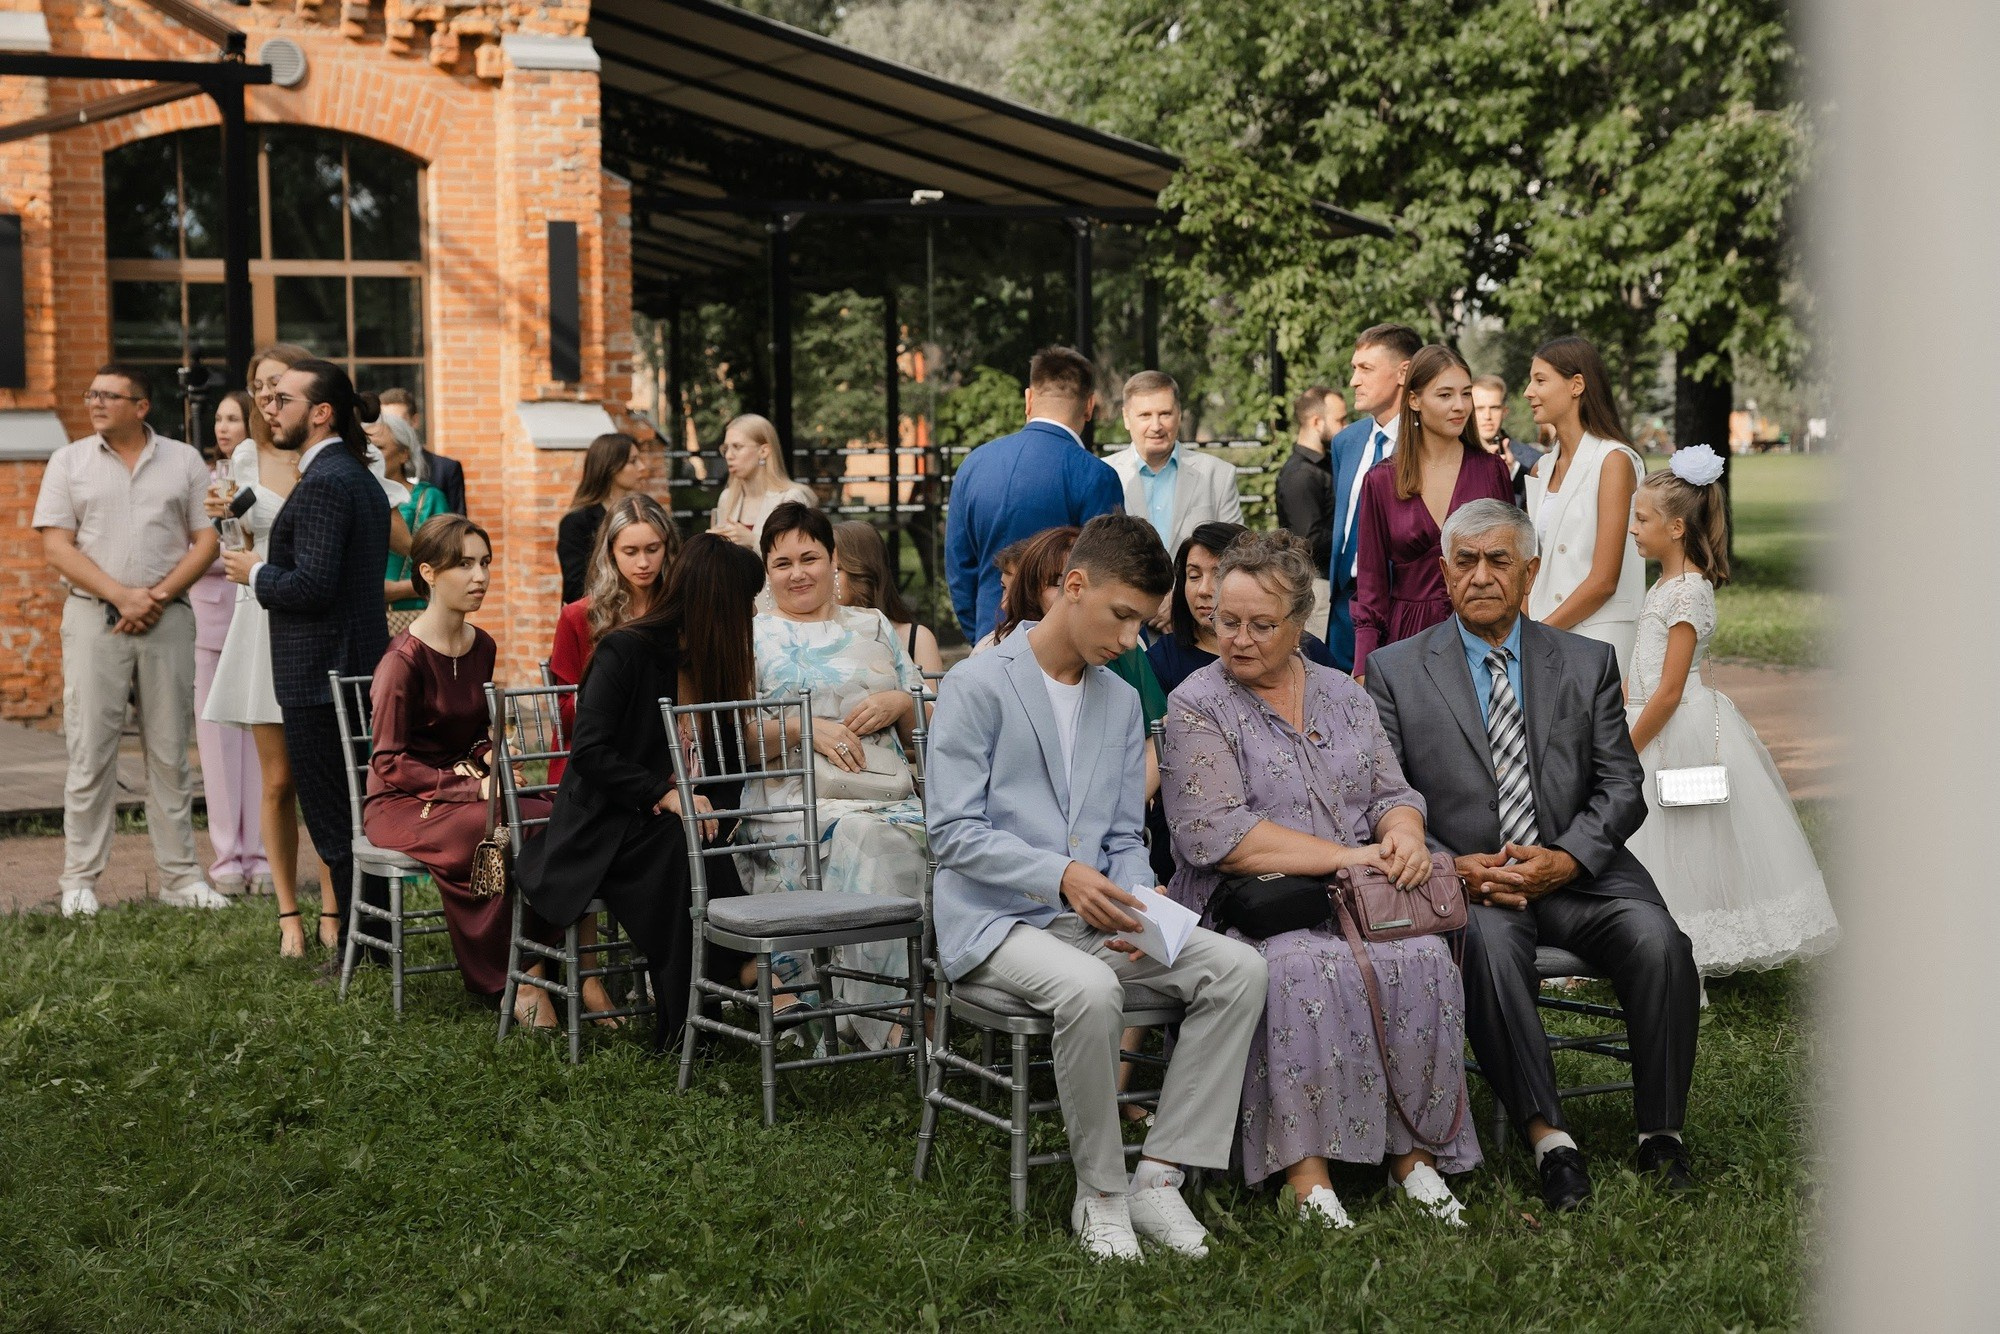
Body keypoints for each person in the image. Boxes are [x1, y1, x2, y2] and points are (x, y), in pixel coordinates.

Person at [926, 513, 1267, 1262]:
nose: (1129, 640)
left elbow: (1122, 837)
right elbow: (950, 833)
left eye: (1144, 623)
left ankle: (1160, 1176)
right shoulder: (977, 683)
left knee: (1240, 969)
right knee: (1088, 990)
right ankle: (1101, 1194)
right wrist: (1061, 876)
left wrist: (1139, 903)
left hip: (1096, 918)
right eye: (1121, 617)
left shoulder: (1117, 699)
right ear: (1073, 587)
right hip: (994, 925)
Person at [1365, 498, 1701, 1212]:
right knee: (1485, 954)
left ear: (1530, 573)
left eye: (1498, 561)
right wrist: (1454, 865)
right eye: (1466, 561)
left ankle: (1660, 1135)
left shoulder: (1585, 662)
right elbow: (1384, 796)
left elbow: (1622, 785)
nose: (1481, 575)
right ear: (1445, 571)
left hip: (1583, 876)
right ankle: (1552, 1141)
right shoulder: (1395, 671)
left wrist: (1568, 859)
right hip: (1473, 882)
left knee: (1661, 943)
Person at [1160, 531, 1479, 1228]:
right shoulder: (1196, 704)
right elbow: (1219, 837)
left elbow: (1392, 792)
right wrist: (1353, 857)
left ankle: (1414, 1159)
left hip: (1356, 902)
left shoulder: (1343, 694)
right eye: (1225, 622)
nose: (1238, 639)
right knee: (1299, 967)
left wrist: (1402, 836)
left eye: (1259, 625)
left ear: (1299, 625)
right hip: (1247, 908)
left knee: (1422, 956)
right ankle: (1307, 1176)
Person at [517, 534, 765, 1050]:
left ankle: (715, 992)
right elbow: (590, 752)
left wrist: (716, 807)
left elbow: (725, 761)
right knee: (680, 848)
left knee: (701, 840)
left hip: (672, 823)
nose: (751, 616)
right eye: (745, 604)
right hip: (603, 821)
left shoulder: (712, 664)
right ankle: (703, 1008)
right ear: (718, 604)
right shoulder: (624, 650)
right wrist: (666, 794)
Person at [1624, 448, 1839, 974]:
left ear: (1676, 528)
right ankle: (1644, 937)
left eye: (1642, 519)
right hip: (1647, 714)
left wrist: (1626, 748)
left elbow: (1670, 690)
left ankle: (1685, 944)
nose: (1631, 528)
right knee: (1654, 836)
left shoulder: (1688, 595)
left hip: (1670, 727)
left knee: (1683, 835)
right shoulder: (1666, 585)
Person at [35, 364, 227, 918]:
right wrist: (123, 595)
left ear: (141, 406)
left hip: (167, 620)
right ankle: (79, 881)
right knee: (90, 750)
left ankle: (181, 879)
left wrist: (157, 597)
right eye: (91, 393)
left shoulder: (184, 460)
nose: (95, 402)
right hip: (94, 618)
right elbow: (57, 547)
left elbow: (207, 539)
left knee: (169, 752)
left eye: (109, 396)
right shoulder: (67, 461)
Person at [221, 360, 393, 968]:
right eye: (267, 400)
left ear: (321, 412)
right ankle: (374, 943)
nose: (269, 407)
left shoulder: (324, 482)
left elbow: (314, 587)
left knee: (335, 818)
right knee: (355, 814)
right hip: (349, 667)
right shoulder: (355, 475)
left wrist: (256, 572)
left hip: (323, 675)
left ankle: (357, 950)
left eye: (284, 399)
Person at [737, 502, 927, 1049]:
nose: (798, 573)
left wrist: (897, 700)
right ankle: (888, 1021)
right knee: (866, 838)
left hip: (887, 789)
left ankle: (926, 996)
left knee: (942, 834)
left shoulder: (872, 624)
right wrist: (802, 729)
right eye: (782, 563)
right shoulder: (752, 635)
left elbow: (930, 717)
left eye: (810, 558)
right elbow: (734, 737)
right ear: (766, 570)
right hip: (793, 802)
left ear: (834, 559)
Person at [360, 515, 560, 1021]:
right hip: (401, 803)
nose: (480, 577)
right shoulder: (400, 661)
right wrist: (470, 789)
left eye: (485, 563)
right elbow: (388, 761)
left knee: (546, 814)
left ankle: (539, 960)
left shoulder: (483, 646)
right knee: (490, 825)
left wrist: (488, 754)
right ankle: (510, 978)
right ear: (427, 572)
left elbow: (472, 732)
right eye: (464, 564)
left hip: (469, 788)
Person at [206, 345, 319, 954]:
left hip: (318, 613)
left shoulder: (329, 456)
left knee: (326, 773)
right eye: (258, 387)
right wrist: (227, 521)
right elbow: (236, 545)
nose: (267, 398)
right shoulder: (246, 456)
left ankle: (334, 909)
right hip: (262, 615)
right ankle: (288, 917)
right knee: (278, 780)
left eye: (278, 386)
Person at [1350, 344, 1513, 679]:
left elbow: (1510, 565)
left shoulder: (1491, 471)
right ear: (1414, 400)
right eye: (1445, 395)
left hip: (1482, 633)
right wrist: (1362, 665)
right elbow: (1371, 585)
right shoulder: (1381, 481)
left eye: (1465, 394)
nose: (1459, 406)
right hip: (1408, 638)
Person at [944, 346, 1124, 643]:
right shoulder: (1094, 475)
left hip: (990, 633)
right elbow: (1105, 572)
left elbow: (959, 570)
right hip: (1063, 643)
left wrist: (983, 631)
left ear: (1029, 399)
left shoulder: (973, 465)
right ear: (1089, 406)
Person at [1522, 336, 1645, 676]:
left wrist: (1537, 635)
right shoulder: (1542, 468)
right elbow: (1535, 561)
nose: (1528, 392)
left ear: (1576, 385)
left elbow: (1605, 579)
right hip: (1544, 634)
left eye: (1540, 380)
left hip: (1599, 640)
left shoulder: (1614, 461)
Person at [190, 389, 268, 900]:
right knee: (217, 749)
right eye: (217, 418)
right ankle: (226, 859)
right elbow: (190, 547)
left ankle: (260, 856)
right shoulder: (201, 478)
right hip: (208, 622)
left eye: (233, 417)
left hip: (258, 616)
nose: (222, 426)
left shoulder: (266, 480)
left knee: (261, 745)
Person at [547, 492, 680, 783]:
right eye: (630, 552)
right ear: (610, 553)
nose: (643, 562)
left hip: (668, 756)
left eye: (653, 549)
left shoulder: (681, 612)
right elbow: (564, 715)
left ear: (668, 548)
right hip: (595, 761)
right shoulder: (578, 616)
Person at [1146, 521, 1342, 696]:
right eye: (1194, 576)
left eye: (1218, 574)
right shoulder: (1162, 660)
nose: (1204, 590)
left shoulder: (1310, 652)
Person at [1325, 323, 1424, 670]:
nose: (1354, 380)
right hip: (1344, 610)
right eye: (1354, 368)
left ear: (1404, 372)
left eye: (1365, 368)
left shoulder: (1429, 443)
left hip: (1405, 611)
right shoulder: (1345, 442)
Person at [1104, 369, 1243, 560]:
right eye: (1145, 415)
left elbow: (1236, 552)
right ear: (1127, 418)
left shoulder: (1218, 474)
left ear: (1178, 414)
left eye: (1165, 414)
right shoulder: (1104, 474)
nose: (1156, 426)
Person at [833, 520, 945, 676]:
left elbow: (931, 699)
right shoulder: (815, 638)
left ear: (863, 571)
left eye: (836, 569)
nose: (825, 578)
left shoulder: (916, 638)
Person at [373, 411, 450, 636]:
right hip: (364, 620)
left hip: (416, 619)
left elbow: (448, 567)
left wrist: (396, 590)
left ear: (403, 454)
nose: (370, 455)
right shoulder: (354, 498)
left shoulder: (429, 499)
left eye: (379, 448)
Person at [1275, 386, 1341, 633]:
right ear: (1316, 421)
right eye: (1340, 420)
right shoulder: (1301, 474)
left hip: (1327, 586)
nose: (1345, 427)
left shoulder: (1324, 464)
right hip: (1316, 587)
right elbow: (1308, 540)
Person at [557, 432, 650, 603]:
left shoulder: (641, 513)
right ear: (611, 467)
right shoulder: (577, 522)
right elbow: (576, 589)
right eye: (633, 461)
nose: (642, 467)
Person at [709, 413, 816, 552]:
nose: (729, 455)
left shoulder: (790, 498)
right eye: (726, 448)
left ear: (764, 451)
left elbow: (800, 554)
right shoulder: (727, 497)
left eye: (737, 447)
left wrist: (753, 540)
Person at [377, 387, 466, 516]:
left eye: (398, 422)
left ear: (415, 421)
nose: (392, 429)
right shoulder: (373, 470)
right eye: (385, 422)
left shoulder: (446, 468)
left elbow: (458, 525)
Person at [1472, 374, 1542, 507]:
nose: (1487, 416)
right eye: (1479, 409)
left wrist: (1514, 473)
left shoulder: (1534, 460)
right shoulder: (1453, 457)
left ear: (1505, 411)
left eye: (1494, 408)